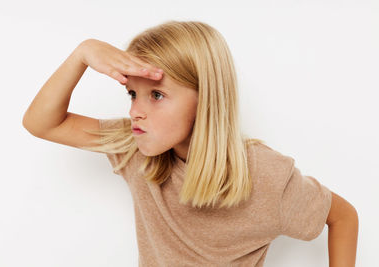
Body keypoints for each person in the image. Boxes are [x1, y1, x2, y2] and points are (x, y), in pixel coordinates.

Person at [22, 20, 358, 266]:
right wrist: (83, 53)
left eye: (156, 94)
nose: (136, 111)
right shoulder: (135, 147)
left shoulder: (266, 175)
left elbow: (343, 217)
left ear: (206, 100)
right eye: (132, 94)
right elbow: (42, 123)